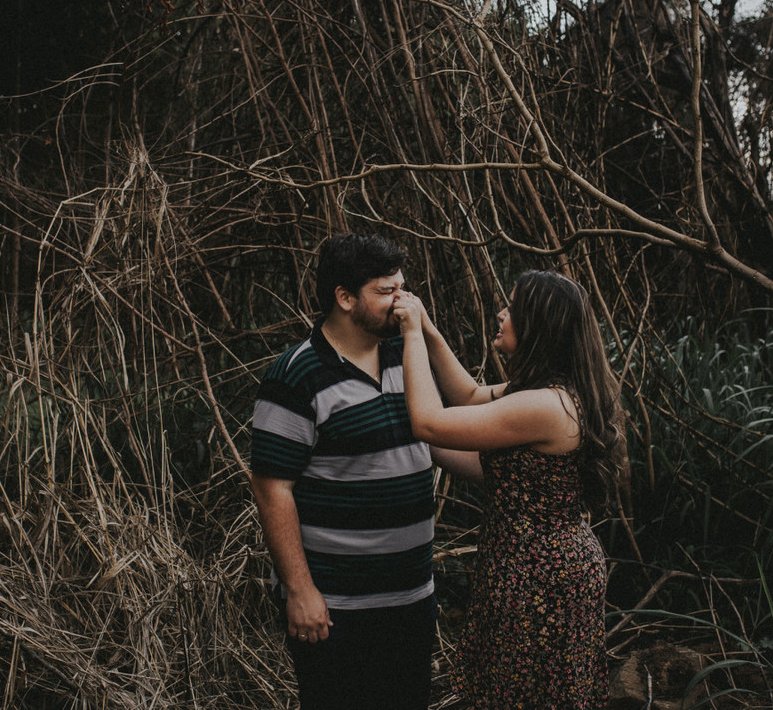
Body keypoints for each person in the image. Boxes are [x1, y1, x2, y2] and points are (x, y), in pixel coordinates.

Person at [393, 270, 624, 710]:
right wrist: (428, 327)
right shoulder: (543, 392)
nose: (500, 313)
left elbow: (429, 422)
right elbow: (467, 396)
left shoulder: (544, 405)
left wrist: (411, 335)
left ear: (539, 326)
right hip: (527, 568)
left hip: (542, 579)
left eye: (513, 308)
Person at [249, 233, 436, 710]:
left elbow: (439, 438)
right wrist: (300, 590)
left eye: (403, 287)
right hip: (339, 608)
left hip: (412, 598)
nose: (403, 302)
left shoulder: (405, 355)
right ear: (345, 298)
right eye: (386, 291)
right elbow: (272, 489)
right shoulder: (296, 375)